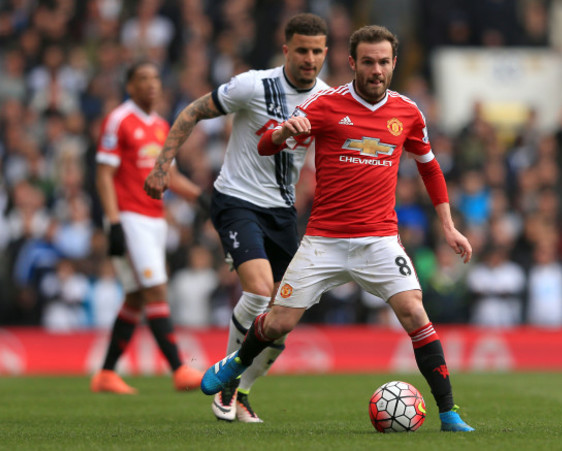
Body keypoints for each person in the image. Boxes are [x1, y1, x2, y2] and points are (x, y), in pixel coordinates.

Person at [201, 25, 475, 432]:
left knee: (416, 313)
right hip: (324, 241)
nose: (376, 70)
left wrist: (449, 227)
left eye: (383, 62)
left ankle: (449, 413)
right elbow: (266, 144)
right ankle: (236, 364)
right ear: (352, 63)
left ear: (394, 63)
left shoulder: (408, 112)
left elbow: (430, 167)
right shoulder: (324, 105)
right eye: (368, 62)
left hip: (379, 240)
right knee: (277, 323)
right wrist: (281, 132)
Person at [143, 14, 329, 422]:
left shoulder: (328, 100)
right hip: (236, 200)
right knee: (261, 292)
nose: (309, 58)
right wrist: (161, 166)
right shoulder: (254, 85)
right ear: (286, 50)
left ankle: (241, 391)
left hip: (282, 212)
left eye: (317, 51)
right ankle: (227, 385)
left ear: (326, 53)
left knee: (281, 321)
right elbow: (192, 111)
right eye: (301, 50)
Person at [92, 61, 205, 394]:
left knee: (137, 297)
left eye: (155, 78)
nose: (151, 84)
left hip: (154, 219)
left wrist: (202, 198)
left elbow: (168, 174)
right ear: (130, 85)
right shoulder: (119, 120)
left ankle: (106, 374)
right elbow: (103, 174)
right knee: (156, 289)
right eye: (143, 78)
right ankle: (179, 369)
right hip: (129, 217)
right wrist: (113, 222)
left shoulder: (160, 125)